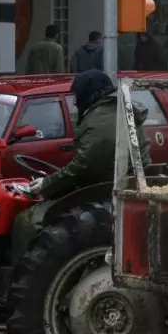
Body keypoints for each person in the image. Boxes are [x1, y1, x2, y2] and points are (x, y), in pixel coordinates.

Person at [11, 70, 150, 260]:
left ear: (90, 93)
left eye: (77, 95)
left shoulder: (101, 119)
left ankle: (16, 274)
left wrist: (47, 184)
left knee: (28, 220)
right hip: (115, 184)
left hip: (104, 189)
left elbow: (85, 167)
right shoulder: (114, 110)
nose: (75, 102)